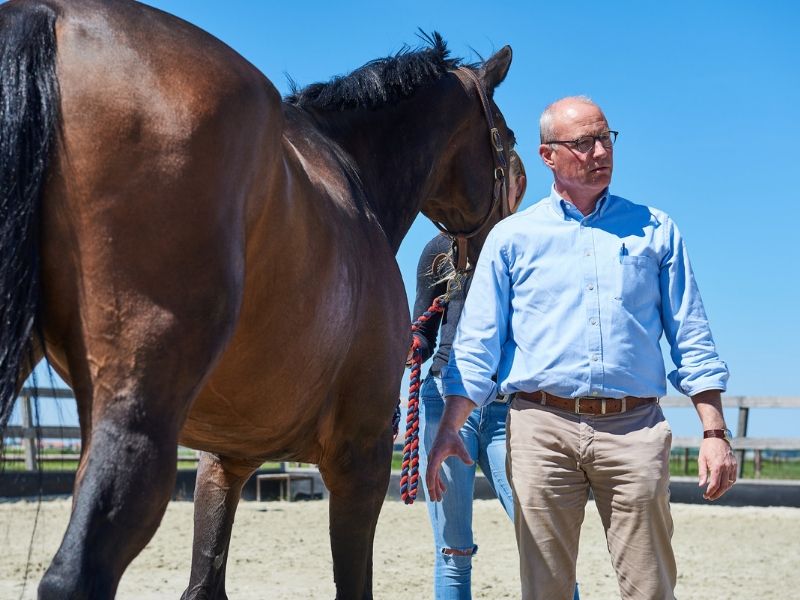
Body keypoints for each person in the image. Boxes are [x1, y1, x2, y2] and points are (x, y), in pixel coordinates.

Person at [426, 96, 737, 600]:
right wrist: (448, 430)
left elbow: (692, 336)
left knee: (650, 586)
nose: (600, 152)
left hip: (634, 429)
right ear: (548, 155)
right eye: (583, 142)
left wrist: (715, 432)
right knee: (545, 588)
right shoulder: (513, 239)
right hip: (540, 429)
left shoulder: (657, 231)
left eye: (605, 138)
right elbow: (478, 343)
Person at [414, 150, 549, 599]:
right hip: (444, 395)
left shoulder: (532, 244)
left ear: (516, 188)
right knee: (453, 548)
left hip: (509, 403)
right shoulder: (439, 250)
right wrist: (410, 343)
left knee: (542, 536)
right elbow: (424, 328)